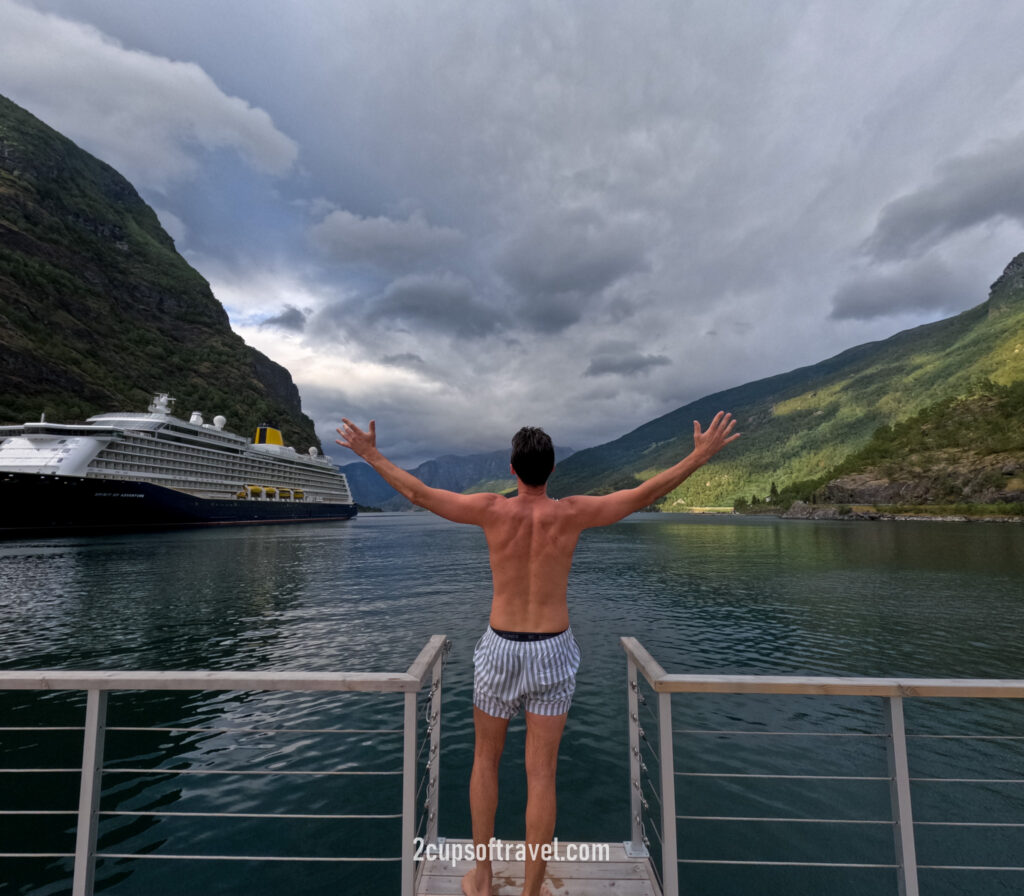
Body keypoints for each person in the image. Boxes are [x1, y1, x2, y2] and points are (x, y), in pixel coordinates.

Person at [336, 412, 740, 896]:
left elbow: (419, 494)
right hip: (552, 650)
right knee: (542, 772)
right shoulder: (570, 513)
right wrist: (698, 455)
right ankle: (530, 891)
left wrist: (371, 454)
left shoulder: (492, 510)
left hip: (501, 649)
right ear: (551, 471)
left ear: (512, 469)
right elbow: (645, 495)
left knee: (485, 760)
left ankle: (482, 879)